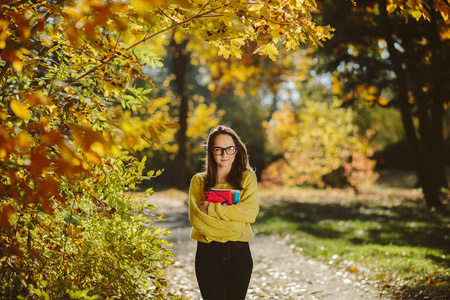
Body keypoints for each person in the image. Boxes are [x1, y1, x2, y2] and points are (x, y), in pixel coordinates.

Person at [188, 125, 259, 300]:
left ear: (236, 150)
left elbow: (250, 213)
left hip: (239, 253)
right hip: (207, 254)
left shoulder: (247, 178)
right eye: (219, 149)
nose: (224, 154)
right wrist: (235, 220)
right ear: (211, 152)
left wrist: (211, 208)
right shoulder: (198, 182)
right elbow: (198, 221)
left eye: (229, 149)